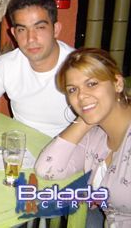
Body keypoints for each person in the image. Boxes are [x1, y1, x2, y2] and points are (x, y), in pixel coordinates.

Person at [34, 48, 131, 227]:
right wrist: (85, 119)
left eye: (92, 84)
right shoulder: (96, 136)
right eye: (73, 89)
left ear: (117, 83)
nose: (81, 96)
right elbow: (47, 169)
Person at [0, 0, 75, 137]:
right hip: (19, 146)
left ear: (55, 29)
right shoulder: (6, 65)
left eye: (40, 27)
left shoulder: (79, 66)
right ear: (14, 34)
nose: (31, 38)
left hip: (69, 147)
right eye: (22, 30)